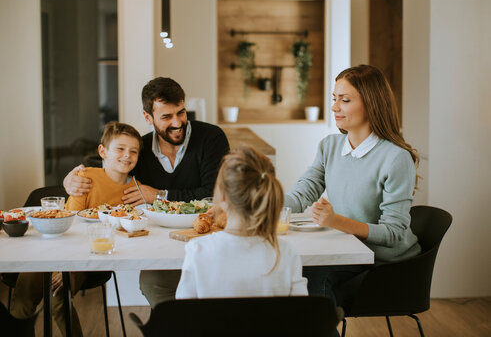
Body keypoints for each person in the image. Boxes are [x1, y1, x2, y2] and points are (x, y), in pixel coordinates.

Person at [63, 77, 230, 308]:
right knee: (152, 282)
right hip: (160, 243)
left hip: (208, 238)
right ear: (147, 118)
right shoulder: (138, 150)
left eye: (181, 113)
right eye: (166, 117)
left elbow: (212, 195)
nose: (177, 122)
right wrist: (70, 178)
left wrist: (159, 195)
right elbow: (110, 170)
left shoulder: (211, 138)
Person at [285, 65, 421, 312]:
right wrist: (254, 207)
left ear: (371, 104)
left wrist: (336, 221)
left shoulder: (395, 158)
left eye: (345, 100)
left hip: (383, 265)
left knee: (313, 280)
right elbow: (302, 193)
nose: (334, 107)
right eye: (334, 99)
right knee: (288, 271)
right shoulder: (329, 146)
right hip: (347, 251)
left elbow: (393, 233)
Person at [10, 121, 143, 337]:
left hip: (90, 256)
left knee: (57, 299)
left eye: (133, 151)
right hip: (58, 247)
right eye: (120, 148)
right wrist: (62, 262)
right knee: (23, 298)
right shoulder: (85, 178)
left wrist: (69, 268)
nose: (127, 155)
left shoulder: (135, 190)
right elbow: (70, 225)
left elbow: (123, 235)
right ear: (103, 151)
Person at [176, 146, 308, 299]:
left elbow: (183, 316)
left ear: (223, 195)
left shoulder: (198, 251)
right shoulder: (286, 253)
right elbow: (301, 316)